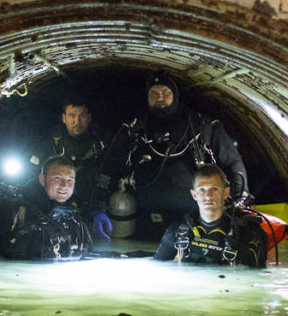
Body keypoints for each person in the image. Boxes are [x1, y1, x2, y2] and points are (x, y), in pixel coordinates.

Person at [95, 71, 251, 236]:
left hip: (196, 220)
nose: (160, 97)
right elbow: (110, 165)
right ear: (147, 97)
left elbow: (233, 162)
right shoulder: (134, 129)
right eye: (154, 93)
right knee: (121, 201)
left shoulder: (202, 127)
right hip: (142, 220)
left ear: (175, 94)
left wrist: (239, 199)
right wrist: (98, 204)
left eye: (165, 92)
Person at [29, 92, 113, 242]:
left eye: (82, 116)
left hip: (90, 202)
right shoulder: (50, 144)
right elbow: (33, 176)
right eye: (72, 116)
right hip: (54, 205)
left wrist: (99, 208)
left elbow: (107, 176)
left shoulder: (101, 143)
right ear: (64, 118)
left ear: (89, 118)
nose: (77, 121)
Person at [0, 155, 92, 260]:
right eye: (57, 178)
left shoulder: (75, 216)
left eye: (69, 180)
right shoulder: (12, 212)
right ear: (42, 180)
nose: (64, 185)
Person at [154, 164, 267, 268]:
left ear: (226, 192)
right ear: (194, 195)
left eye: (214, 189)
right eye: (202, 190)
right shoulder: (179, 230)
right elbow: (157, 267)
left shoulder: (245, 235)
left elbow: (255, 278)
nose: (208, 196)